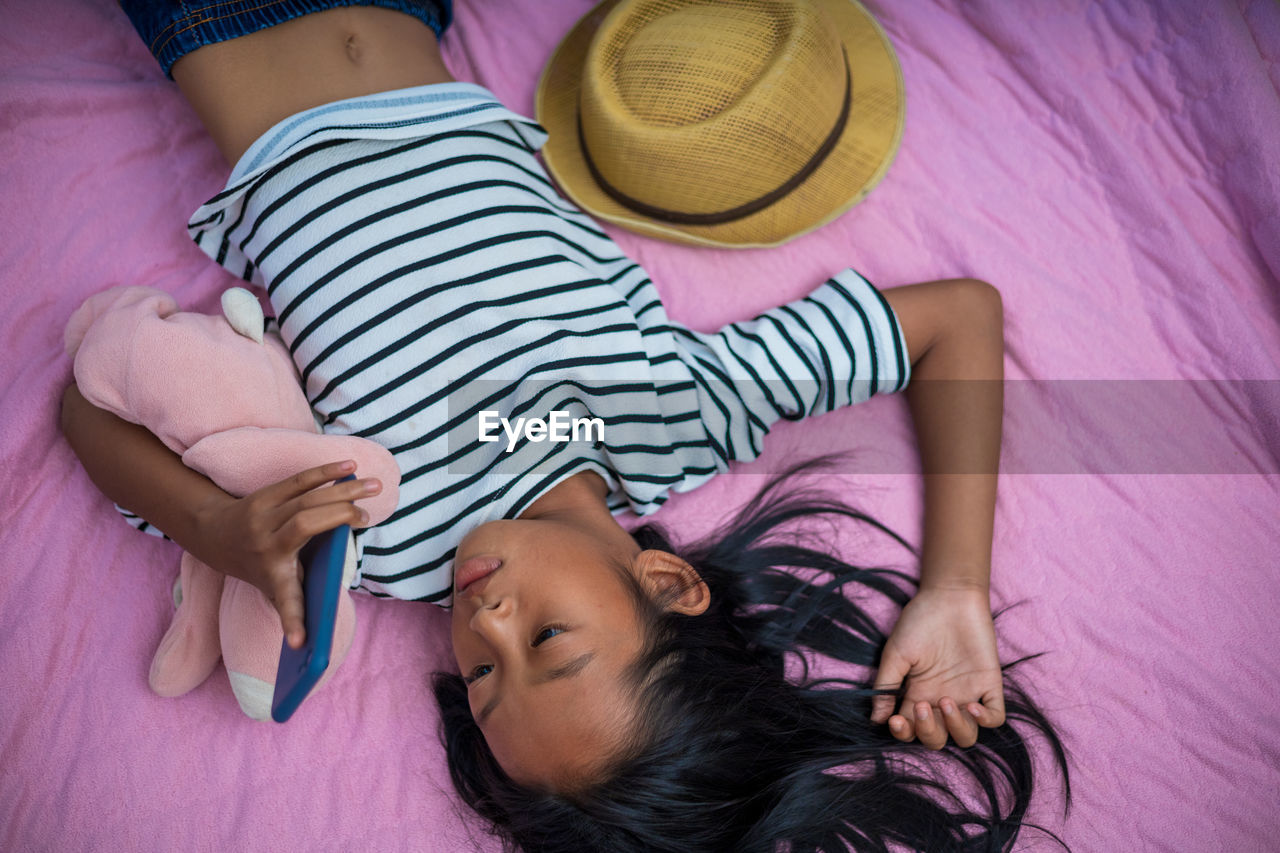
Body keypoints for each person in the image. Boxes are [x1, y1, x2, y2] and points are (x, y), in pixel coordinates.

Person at [60, 1, 1069, 850]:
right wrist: (952, 589)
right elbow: (954, 319)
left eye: (484, 677)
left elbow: (86, 407)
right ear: (668, 581)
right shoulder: (686, 416)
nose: (483, 623)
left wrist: (212, 528)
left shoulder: (367, 533)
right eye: (545, 636)